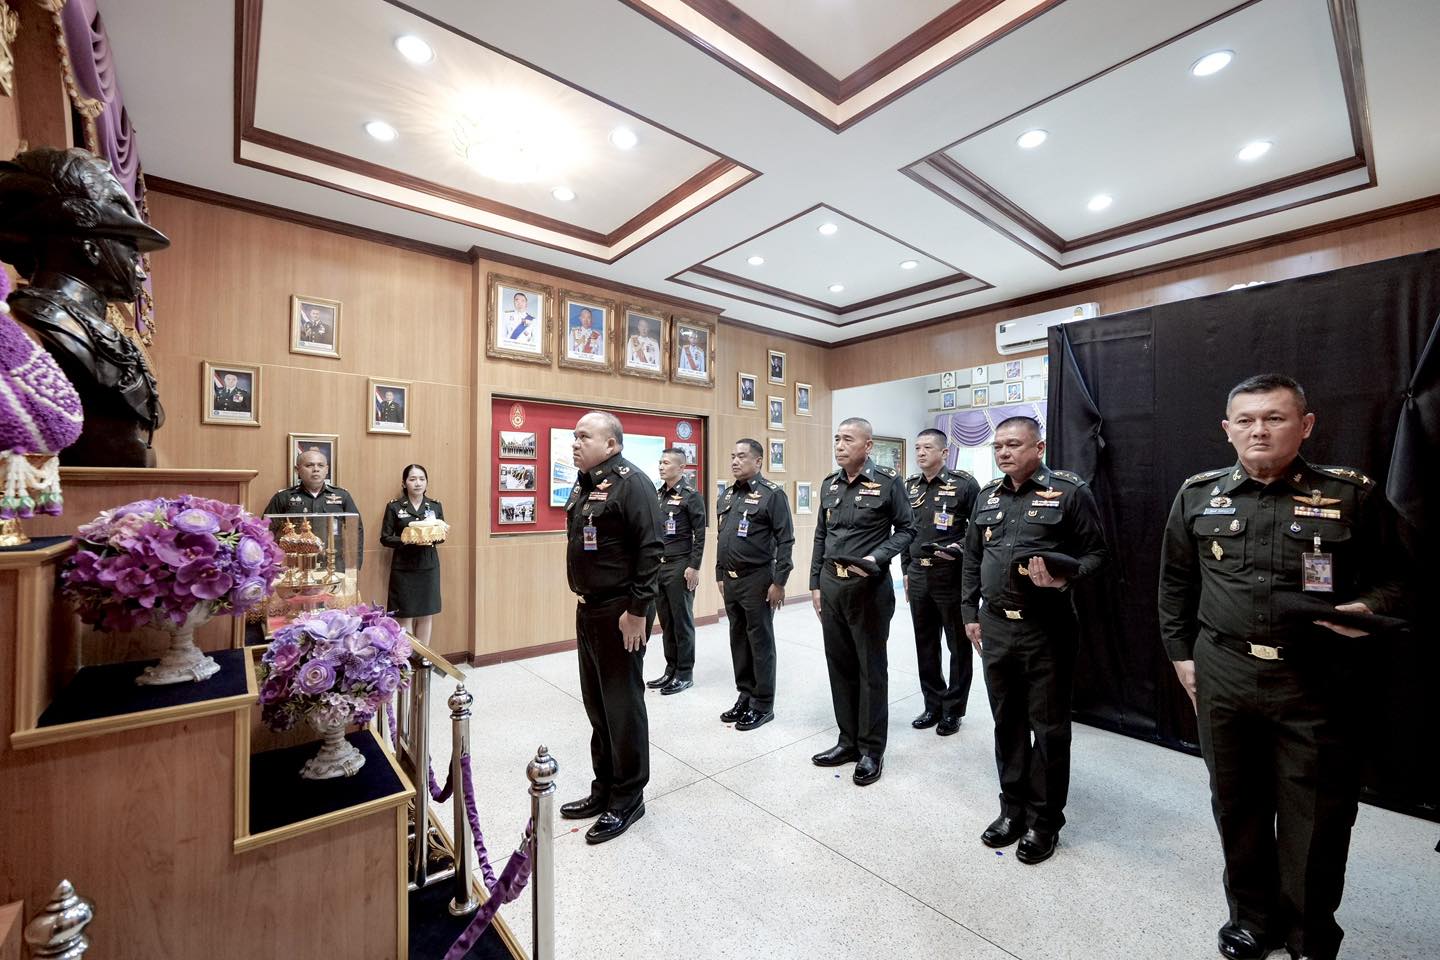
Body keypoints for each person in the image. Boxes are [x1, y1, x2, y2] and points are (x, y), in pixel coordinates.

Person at [1157, 374, 1406, 960]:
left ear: (1306, 424)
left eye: (1274, 417)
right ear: (1228, 429)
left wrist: (1368, 608)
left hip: (1316, 678)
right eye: (1245, 420)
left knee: (1316, 812)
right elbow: (1175, 585)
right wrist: (1181, 656)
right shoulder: (1198, 495)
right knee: (1236, 802)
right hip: (1224, 671)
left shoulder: (1351, 494)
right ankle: (1251, 919)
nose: (1259, 430)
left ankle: (1308, 932)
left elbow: (1400, 578)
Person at [960, 416, 1106, 865]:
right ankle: (1012, 809)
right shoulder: (987, 495)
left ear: (1038, 448)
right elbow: (972, 557)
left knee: (1048, 728)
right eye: (998, 446)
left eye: (1014, 445)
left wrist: (1064, 579)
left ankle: (1044, 821)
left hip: (1046, 628)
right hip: (995, 625)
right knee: (1006, 721)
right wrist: (969, 613)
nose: (1004, 453)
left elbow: (1097, 554)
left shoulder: (1069, 491)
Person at [559, 411, 662, 844]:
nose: (575, 443)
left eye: (584, 437)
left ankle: (629, 796)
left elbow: (652, 549)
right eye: (574, 436)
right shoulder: (585, 484)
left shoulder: (632, 483)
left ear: (612, 444)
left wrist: (638, 611)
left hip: (622, 611)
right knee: (597, 705)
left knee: (622, 705)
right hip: (590, 609)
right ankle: (604, 786)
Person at [809, 417, 915, 785]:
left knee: (870, 669)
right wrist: (815, 583)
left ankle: (871, 749)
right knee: (839, 665)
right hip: (832, 585)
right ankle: (847, 741)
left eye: (848, 439)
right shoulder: (830, 484)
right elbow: (821, 535)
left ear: (867, 446)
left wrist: (877, 557)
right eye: (837, 439)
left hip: (868, 587)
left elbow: (907, 529)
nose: (839, 445)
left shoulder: (887, 482)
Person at [901, 428, 979, 736]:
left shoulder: (964, 484)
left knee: (957, 645)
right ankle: (932, 704)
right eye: (917, 448)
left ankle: (953, 709)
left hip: (950, 574)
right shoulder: (909, 486)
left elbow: (980, 530)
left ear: (944, 453)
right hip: (918, 574)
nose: (921, 453)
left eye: (928, 448)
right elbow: (904, 531)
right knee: (925, 643)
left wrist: (959, 547)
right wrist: (906, 569)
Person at [715, 438, 795, 731]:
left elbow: (786, 540)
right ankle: (745, 694)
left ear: (758, 461)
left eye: (742, 456)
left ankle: (762, 704)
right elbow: (722, 537)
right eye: (732, 456)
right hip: (731, 579)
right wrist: (719, 573)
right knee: (738, 640)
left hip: (759, 579)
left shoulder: (772, 495)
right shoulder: (727, 495)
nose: (735, 461)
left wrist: (779, 582)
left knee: (760, 642)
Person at [646, 448, 706, 695]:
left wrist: (694, 566)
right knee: (666, 621)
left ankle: (684, 673)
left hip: (680, 564)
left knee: (682, 621)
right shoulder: (658, 494)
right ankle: (670, 669)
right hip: (659, 565)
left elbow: (700, 534)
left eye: (667, 463)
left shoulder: (691, 496)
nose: (661, 466)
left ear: (681, 468)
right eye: (660, 462)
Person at [262, 446, 363, 570]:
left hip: (332, 565)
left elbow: (356, 531)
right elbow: (266, 531)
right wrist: (271, 565)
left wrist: (354, 566)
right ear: (297, 470)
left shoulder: (342, 496)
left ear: (326, 469)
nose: (316, 469)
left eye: (320, 465)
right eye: (309, 465)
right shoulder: (283, 497)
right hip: (295, 566)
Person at [379, 464, 444, 646]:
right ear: (404, 483)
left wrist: (431, 536)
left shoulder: (435, 506)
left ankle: (423, 657)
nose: (418, 483)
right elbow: (385, 538)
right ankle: (407, 656)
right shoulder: (394, 506)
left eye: (422, 479)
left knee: (426, 614)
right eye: (412, 479)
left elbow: (441, 535)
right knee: (404, 615)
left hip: (428, 566)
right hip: (404, 568)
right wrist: (407, 539)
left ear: (427, 482)